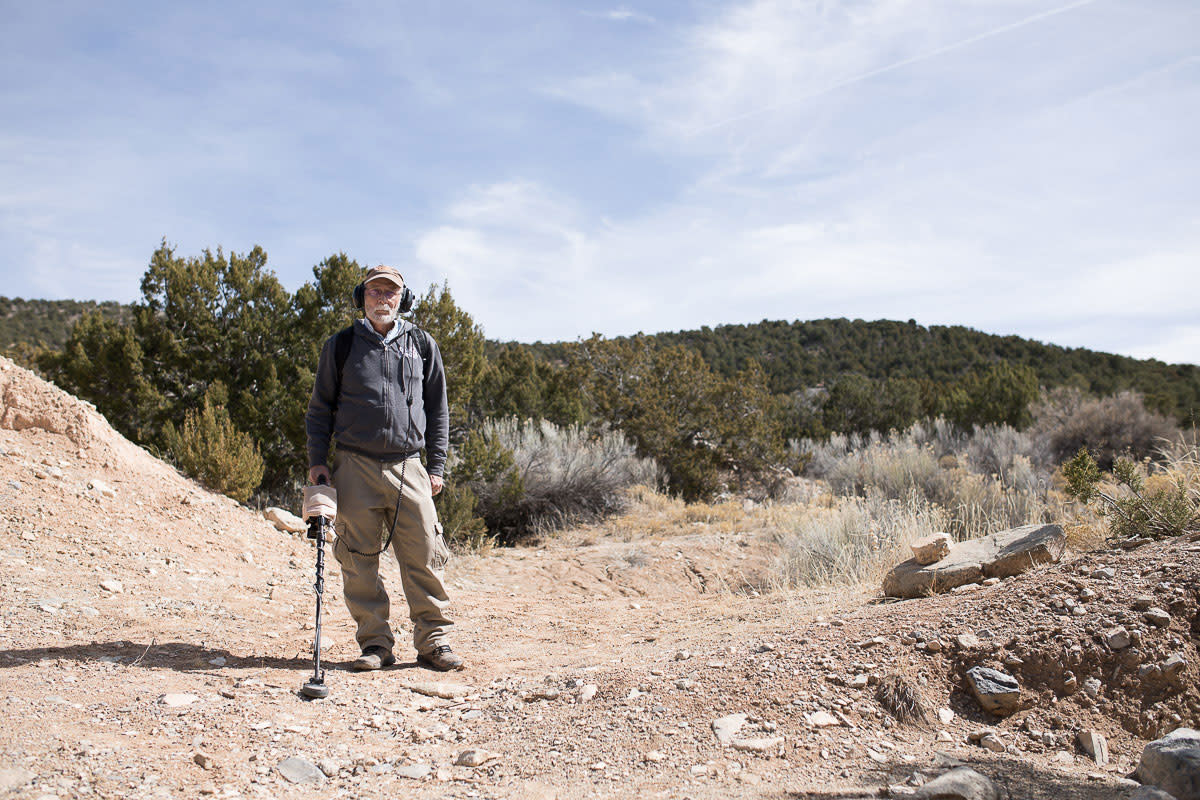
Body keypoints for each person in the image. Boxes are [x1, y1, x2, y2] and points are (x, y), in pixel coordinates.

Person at [305, 264, 463, 672]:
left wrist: (437, 465)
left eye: (390, 293)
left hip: (410, 466)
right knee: (357, 559)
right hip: (354, 464)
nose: (382, 299)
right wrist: (318, 462)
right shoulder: (340, 346)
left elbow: (438, 409)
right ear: (363, 297)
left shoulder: (423, 344)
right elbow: (319, 409)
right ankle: (375, 645)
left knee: (424, 554)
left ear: (402, 299)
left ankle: (433, 642)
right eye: (374, 292)